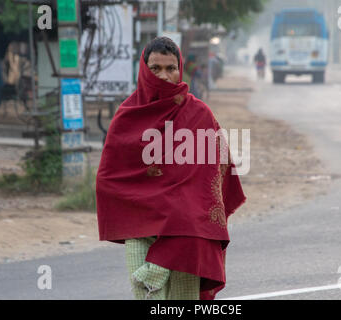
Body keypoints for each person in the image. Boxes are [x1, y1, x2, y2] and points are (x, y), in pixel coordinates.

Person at [96, 37, 247, 300]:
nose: (164, 76)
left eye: (171, 68)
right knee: (145, 294)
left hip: (184, 234)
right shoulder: (127, 115)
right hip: (140, 227)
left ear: (180, 69)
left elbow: (214, 171)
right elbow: (110, 178)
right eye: (155, 68)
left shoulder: (199, 114)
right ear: (144, 70)